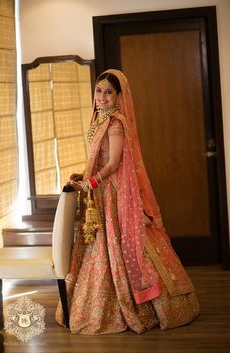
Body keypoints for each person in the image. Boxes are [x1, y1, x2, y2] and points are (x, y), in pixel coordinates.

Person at [55, 69, 200, 334]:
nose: (102, 96)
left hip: (111, 194)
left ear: (119, 96)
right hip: (99, 192)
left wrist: (92, 182)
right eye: (99, 91)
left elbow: (113, 163)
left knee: (120, 243)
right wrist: (84, 173)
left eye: (108, 92)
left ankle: (145, 304)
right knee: (99, 246)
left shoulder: (116, 123)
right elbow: (98, 159)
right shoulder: (99, 119)